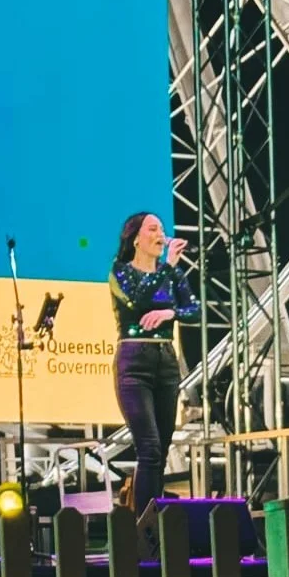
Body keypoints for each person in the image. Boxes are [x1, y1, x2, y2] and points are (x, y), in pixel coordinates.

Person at [109, 212, 198, 517]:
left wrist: (169, 314)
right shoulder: (120, 272)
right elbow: (136, 299)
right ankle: (144, 525)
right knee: (148, 448)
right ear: (136, 238)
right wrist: (168, 268)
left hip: (166, 362)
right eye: (153, 228)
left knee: (161, 450)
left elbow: (194, 309)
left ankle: (156, 522)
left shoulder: (172, 275)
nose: (160, 234)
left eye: (162, 228)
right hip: (134, 363)